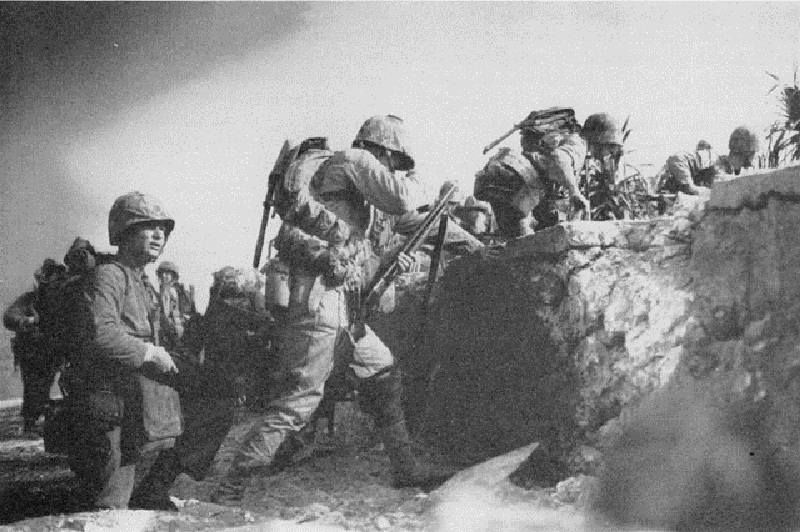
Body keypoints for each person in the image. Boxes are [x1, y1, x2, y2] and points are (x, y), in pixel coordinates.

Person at [228, 115, 456, 491]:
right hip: (320, 299)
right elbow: (403, 198)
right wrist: (420, 181)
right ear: (385, 150)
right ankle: (236, 483)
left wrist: (390, 260)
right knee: (299, 399)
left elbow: (361, 261)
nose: (392, 171)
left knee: (382, 371)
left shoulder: (348, 198)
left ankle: (405, 468)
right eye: (395, 163)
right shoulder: (354, 159)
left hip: (341, 302)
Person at [63, 191, 235, 511]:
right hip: (110, 390)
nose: (159, 235)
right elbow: (101, 334)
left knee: (218, 394)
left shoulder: (142, 281)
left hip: (136, 382)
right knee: (110, 504)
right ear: (125, 233)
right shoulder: (109, 276)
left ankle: (156, 486)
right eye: (148, 227)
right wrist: (150, 353)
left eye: (163, 230)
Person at [475, 107, 591, 237]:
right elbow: (559, 158)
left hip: (501, 172)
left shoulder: (563, 138)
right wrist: (575, 192)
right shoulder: (579, 144)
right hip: (516, 179)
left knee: (515, 240)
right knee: (525, 243)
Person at [2, 259, 66, 434]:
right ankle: (31, 421)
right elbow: (10, 317)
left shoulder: (64, 299)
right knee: (34, 387)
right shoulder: (30, 300)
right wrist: (29, 320)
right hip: (33, 352)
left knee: (59, 384)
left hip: (56, 349)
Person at [155, 261, 197, 353]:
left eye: (167, 273)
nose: (164, 276)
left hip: (178, 332)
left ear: (173, 276)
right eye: (162, 273)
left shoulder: (177, 293)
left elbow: (183, 313)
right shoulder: (159, 293)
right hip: (166, 333)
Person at [656, 141, 721, 195]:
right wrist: (712, 192)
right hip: (682, 161)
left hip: (676, 160)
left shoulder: (697, 155)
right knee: (690, 189)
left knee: (679, 185)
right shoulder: (712, 157)